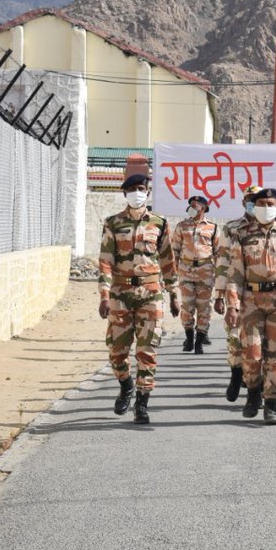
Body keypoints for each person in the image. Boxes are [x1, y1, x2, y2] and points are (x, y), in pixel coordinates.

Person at [224, 187, 276, 425]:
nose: (265, 207)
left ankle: (271, 404)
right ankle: (253, 392)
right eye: (260, 203)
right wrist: (232, 306)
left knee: (275, 356)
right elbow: (234, 275)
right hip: (250, 302)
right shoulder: (241, 234)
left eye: (270, 203)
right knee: (251, 353)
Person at [97, 173, 179, 425]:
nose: (136, 193)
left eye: (141, 188)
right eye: (131, 189)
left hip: (150, 294)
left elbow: (167, 260)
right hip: (121, 295)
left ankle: (142, 403)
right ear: (124, 194)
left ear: (148, 191)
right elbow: (106, 261)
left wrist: (174, 293)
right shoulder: (113, 223)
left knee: (147, 351)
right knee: (116, 351)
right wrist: (104, 295)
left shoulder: (159, 223)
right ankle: (126, 384)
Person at [213, 184, 262, 403]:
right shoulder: (231, 228)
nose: (253, 203)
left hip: (262, 294)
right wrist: (220, 294)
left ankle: (257, 386)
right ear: (244, 203)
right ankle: (235, 374)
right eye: (250, 200)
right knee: (234, 336)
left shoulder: (272, 228)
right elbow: (222, 262)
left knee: (261, 343)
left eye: (257, 199)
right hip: (235, 289)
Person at [170, 195, 218, 354]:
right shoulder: (182, 226)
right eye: (190, 204)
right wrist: (173, 272)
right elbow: (174, 250)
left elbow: (218, 253)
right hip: (186, 270)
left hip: (205, 270)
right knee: (187, 306)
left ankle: (199, 341)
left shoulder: (213, 228)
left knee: (204, 307)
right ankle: (189, 337)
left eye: (195, 205)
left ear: (203, 208)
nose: (191, 207)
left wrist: (219, 275)